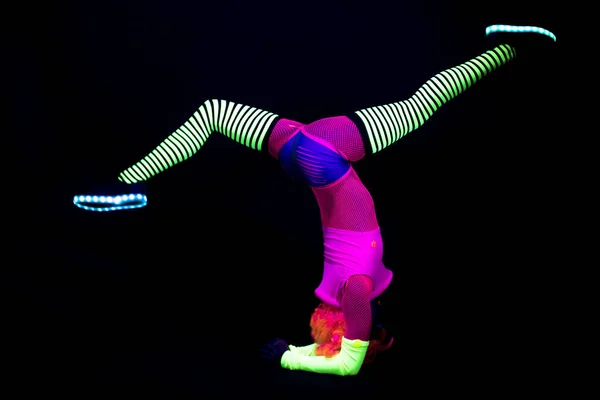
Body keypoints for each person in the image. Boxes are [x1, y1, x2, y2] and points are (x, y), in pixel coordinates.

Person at [74, 24, 556, 376]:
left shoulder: (356, 292)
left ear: (352, 325)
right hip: (311, 157)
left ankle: (510, 48)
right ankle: (126, 183)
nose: (377, 324)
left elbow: (348, 363)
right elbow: (342, 356)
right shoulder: (353, 290)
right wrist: (296, 353)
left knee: (422, 104)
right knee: (215, 114)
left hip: (323, 160)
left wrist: (292, 355)